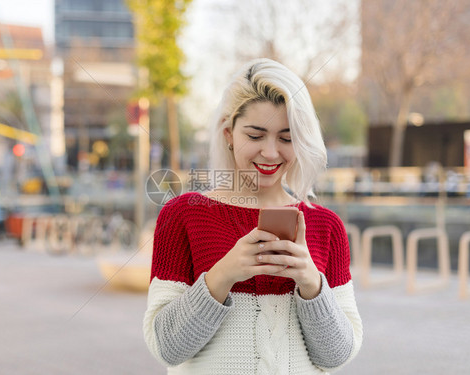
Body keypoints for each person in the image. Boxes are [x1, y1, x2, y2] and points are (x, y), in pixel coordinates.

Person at [143, 58, 363, 374]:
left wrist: (311, 283)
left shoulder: (326, 226)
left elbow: (337, 355)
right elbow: (166, 348)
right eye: (256, 136)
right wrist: (223, 274)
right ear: (229, 133)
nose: (271, 153)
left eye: (286, 138)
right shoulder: (183, 215)